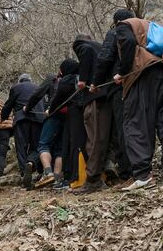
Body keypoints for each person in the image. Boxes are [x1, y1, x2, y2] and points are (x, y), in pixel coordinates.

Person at [113, 11, 163, 190]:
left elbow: (128, 43)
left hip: (147, 74)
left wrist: (122, 72)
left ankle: (143, 174)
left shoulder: (125, 25)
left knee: (137, 122)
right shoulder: (159, 27)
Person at [90, 9, 133, 184]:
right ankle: (142, 167)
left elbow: (105, 57)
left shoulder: (116, 32)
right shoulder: (140, 31)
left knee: (122, 127)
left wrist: (96, 82)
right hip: (140, 83)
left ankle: (128, 171)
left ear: (116, 21)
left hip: (118, 85)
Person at [71, 34, 112, 194]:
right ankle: (100, 177)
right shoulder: (101, 47)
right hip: (107, 96)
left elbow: (86, 51)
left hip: (94, 98)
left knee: (93, 139)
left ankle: (93, 179)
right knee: (102, 138)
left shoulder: (84, 47)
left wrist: (83, 79)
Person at [1, 73, 45, 188]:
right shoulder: (38, 87)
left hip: (22, 119)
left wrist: (3, 117)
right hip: (39, 120)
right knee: (37, 147)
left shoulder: (16, 87)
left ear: (20, 81)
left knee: (21, 147)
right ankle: (30, 163)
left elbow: (9, 104)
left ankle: (23, 174)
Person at [46, 58, 83, 190]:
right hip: (84, 113)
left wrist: (50, 111)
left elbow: (57, 99)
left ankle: (72, 177)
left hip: (73, 115)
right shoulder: (81, 77)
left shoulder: (67, 80)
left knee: (71, 145)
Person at [26, 73, 63, 188]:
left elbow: (38, 94)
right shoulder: (72, 79)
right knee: (59, 149)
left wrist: (27, 107)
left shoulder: (52, 79)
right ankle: (57, 179)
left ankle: (48, 173)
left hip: (53, 115)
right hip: (68, 118)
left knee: (43, 144)